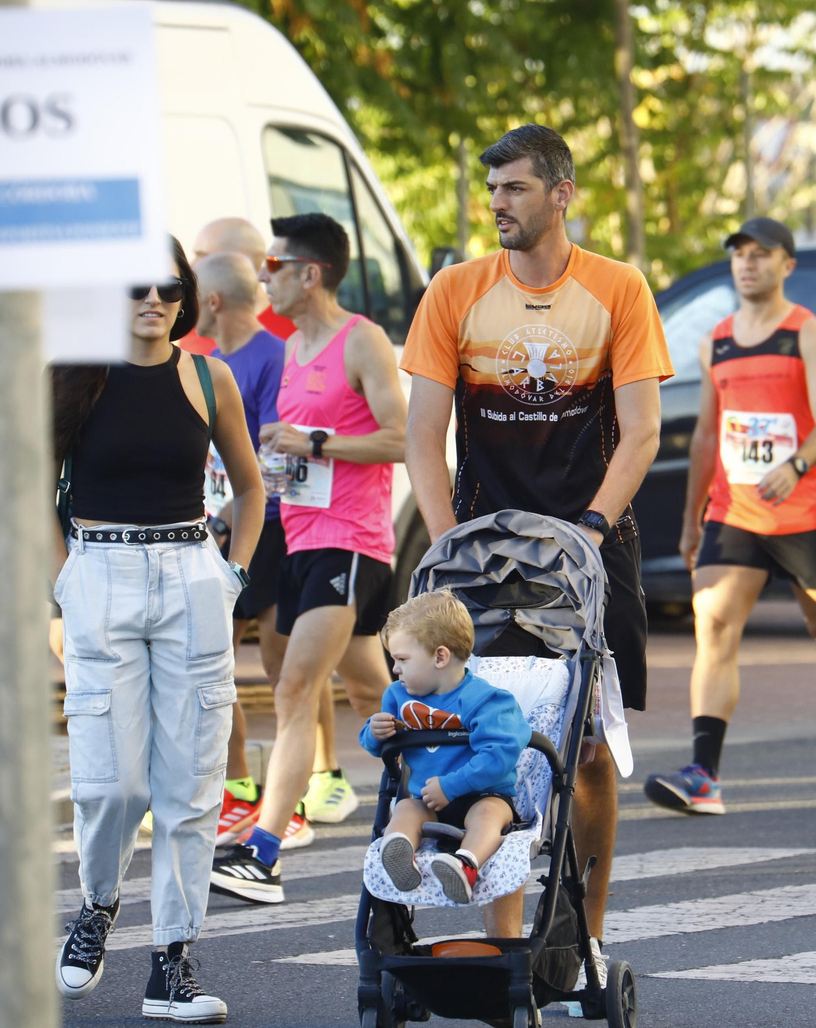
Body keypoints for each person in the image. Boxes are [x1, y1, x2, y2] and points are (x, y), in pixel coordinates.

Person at [402, 124, 671, 969]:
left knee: (587, 752)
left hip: (591, 546)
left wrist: (588, 533)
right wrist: (449, 545)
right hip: (485, 553)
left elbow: (641, 433)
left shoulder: (619, 289)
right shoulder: (454, 290)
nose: (498, 205)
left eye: (515, 189)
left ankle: (585, 934)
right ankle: (507, 944)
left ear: (561, 194)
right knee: (506, 738)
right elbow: (423, 436)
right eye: (493, 191)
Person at [51, 237, 262, 1024]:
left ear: (187, 296)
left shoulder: (210, 378)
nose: (155, 299)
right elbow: (36, 485)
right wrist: (59, 583)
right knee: (114, 781)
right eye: (138, 285)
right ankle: (98, 906)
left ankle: (171, 962)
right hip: (98, 574)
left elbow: (249, 487)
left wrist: (231, 575)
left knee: (190, 784)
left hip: (189, 572)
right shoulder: (75, 376)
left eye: (170, 287)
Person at [644, 216, 816, 816]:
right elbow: (705, 434)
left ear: (787, 265)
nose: (748, 263)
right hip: (736, 511)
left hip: (807, 510)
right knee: (714, 626)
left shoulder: (807, 332)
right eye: (741, 254)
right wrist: (694, 519)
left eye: (762, 254)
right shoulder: (716, 340)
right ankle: (705, 773)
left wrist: (795, 466)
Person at [209, 212, 404, 904]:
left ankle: (263, 852)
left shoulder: (363, 342)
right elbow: (281, 456)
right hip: (300, 543)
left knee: (292, 690)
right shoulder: (291, 352)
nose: (264, 276)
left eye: (274, 265)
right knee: (374, 696)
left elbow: (400, 439)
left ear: (309, 273)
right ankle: (454, 797)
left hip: (350, 543)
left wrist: (317, 444)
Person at [196, 225, 360, 834]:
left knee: (287, 668)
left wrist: (232, 514)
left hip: (274, 527)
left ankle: (316, 783)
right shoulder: (209, 363)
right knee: (216, 659)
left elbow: (271, 454)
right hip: (230, 526)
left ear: (212, 301)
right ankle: (245, 786)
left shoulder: (272, 356)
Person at [365, 590, 531, 906]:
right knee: (404, 809)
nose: (396, 670)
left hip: (481, 794)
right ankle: (399, 851)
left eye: (402, 660)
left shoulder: (487, 701)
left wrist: (453, 785)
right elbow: (378, 748)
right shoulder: (398, 697)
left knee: (489, 814)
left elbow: (501, 755)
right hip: (428, 799)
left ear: (440, 657)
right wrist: (374, 733)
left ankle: (465, 864)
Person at [195, 216, 295, 339]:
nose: (191, 265)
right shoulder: (190, 329)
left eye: (203, 256)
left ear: (240, 262)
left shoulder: (295, 330)